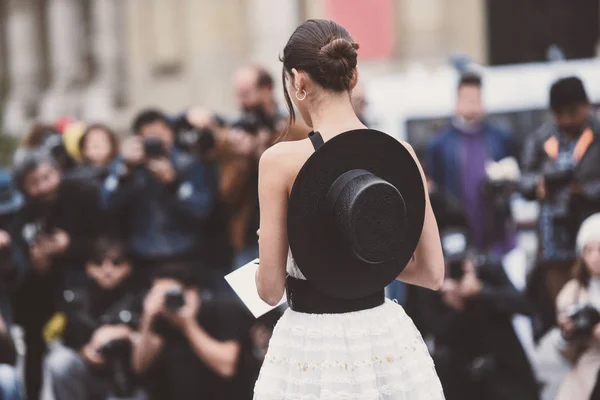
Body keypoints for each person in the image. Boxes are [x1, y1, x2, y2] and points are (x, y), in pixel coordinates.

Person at [253, 19, 444, 399]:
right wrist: (366, 254)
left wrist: (269, 250)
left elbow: (269, 290)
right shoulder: (400, 153)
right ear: (353, 76)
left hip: (312, 343)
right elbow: (433, 273)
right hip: (384, 336)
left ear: (298, 81)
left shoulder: (279, 161)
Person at [10, 150, 104, 399]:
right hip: (44, 288)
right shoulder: (24, 215)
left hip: (87, 281)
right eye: (34, 183)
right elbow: (20, 266)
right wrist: (39, 264)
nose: (43, 186)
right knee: (33, 334)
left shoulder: (83, 195)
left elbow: (107, 245)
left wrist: (69, 246)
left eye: (47, 177)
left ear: (57, 172)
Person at [101, 109, 218, 287]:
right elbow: (107, 203)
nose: (157, 143)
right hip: (141, 255)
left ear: (171, 134)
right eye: (150, 138)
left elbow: (201, 209)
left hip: (183, 254)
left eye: (161, 135)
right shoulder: (127, 165)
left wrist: (173, 184)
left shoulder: (188, 164)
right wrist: (126, 171)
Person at [521, 76, 600, 302]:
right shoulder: (541, 138)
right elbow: (523, 179)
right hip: (554, 243)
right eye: (559, 113)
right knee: (563, 306)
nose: (566, 119)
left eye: (572, 111)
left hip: (594, 235)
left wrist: (583, 191)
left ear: (586, 105)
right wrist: (540, 186)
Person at [427, 73, 517, 256]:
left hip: (495, 230)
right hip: (457, 231)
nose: (471, 104)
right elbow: (435, 188)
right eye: (466, 98)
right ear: (457, 100)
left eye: (476, 98)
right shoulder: (440, 144)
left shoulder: (499, 138)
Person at [45, 238, 143, 400]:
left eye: (116, 263)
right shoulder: (73, 301)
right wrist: (84, 352)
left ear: (128, 267)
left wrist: (125, 333)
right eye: (99, 263)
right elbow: (56, 340)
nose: (107, 270)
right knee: (59, 361)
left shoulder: (141, 300)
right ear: (88, 268)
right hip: (87, 376)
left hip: (128, 380)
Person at [132, 265, 250, 400]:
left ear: (192, 293)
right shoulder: (162, 319)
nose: (166, 300)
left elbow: (226, 366)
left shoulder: (224, 311)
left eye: (171, 294)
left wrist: (187, 325)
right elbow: (140, 366)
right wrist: (147, 318)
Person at [555, 213, 600, 400]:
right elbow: (566, 354)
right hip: (589, 370)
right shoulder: (572, 293)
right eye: (589, 250)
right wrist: (568, 334)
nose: (596, 257)